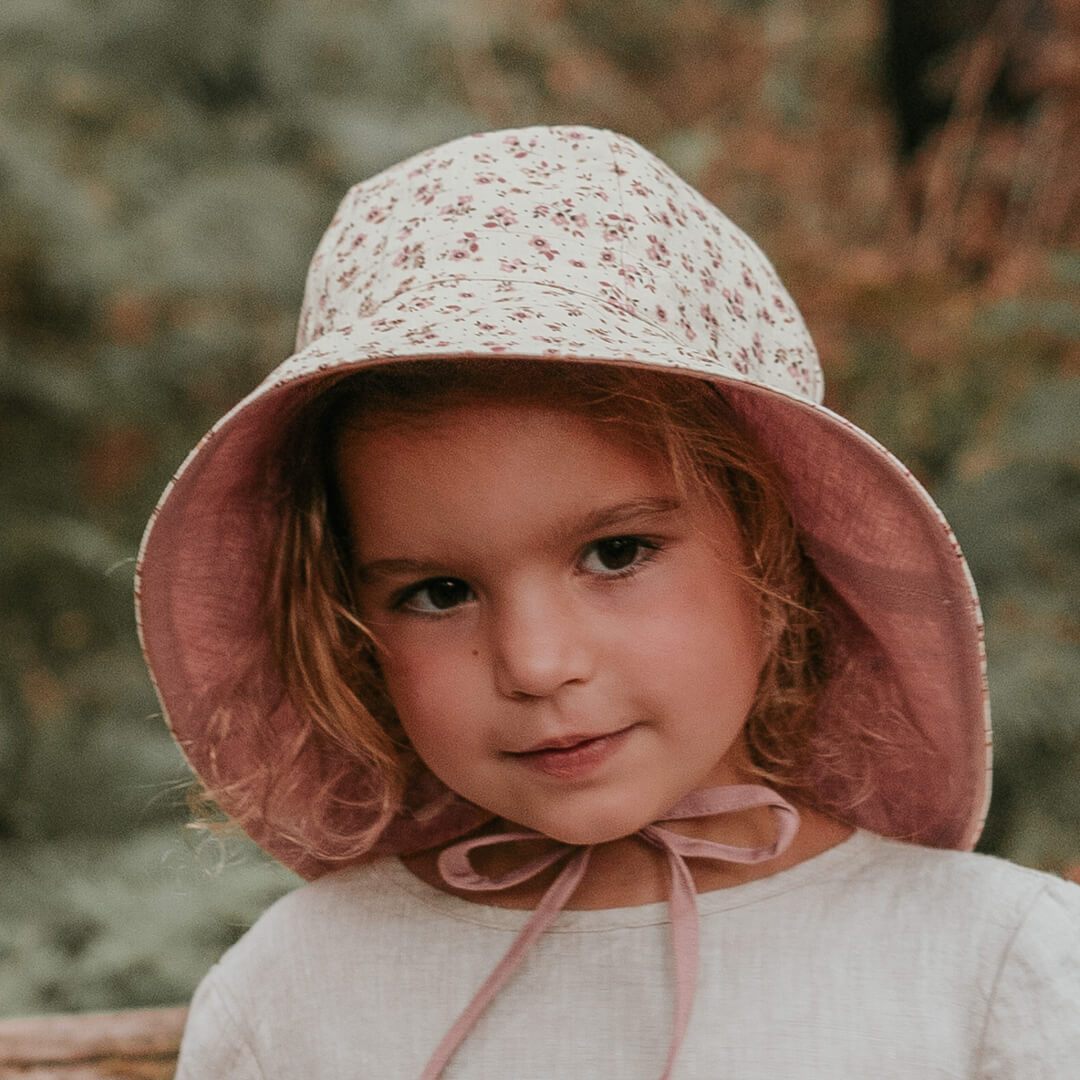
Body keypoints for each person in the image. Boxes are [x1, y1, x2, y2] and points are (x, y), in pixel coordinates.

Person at [137, 126, 1080, 1079]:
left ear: (769, 544)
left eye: (616, 553)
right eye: (440, 592)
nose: (538, 664)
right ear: (349, 621)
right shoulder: (298, 994)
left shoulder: (993, 968)